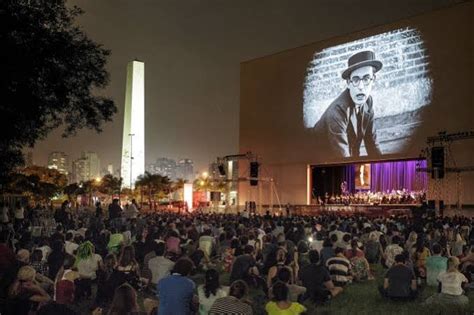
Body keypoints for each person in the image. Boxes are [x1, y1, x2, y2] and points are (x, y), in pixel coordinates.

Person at [313, 50, 383, 158]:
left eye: (366, 79)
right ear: (348, 83)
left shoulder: (368, 102)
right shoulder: (337, 112)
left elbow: (372, 143)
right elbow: (343, 158)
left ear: (373, 80)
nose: (360, 86)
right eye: (355, 79)